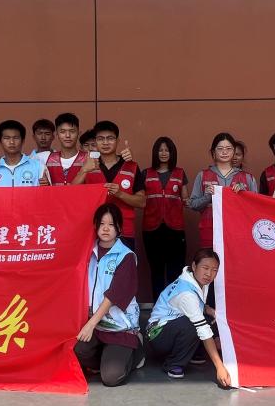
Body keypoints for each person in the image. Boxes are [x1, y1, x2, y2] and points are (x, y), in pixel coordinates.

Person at [75, 204, 142, 387]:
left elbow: (113, 296)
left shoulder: (126, 256)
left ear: (119, 228)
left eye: (111, 225)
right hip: (96, 326)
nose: (106, 229)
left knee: (111, 377)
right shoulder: (88, 252)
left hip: (119, 327)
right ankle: (107, 358)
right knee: (75, 350)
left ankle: (137, 352)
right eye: (102, 224)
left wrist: (90, 324)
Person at [146, 249, 230, 385]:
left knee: (209, 318)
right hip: (157, 335)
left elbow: (199, 305)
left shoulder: (196, 280)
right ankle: (173, 364)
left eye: (214, 270)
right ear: (194, 266)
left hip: (172, 326)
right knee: (195, 324)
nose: (209, 274)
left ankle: (193, 353)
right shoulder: (186, 293)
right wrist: (220, 367)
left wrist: (210, 310)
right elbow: (201, 326)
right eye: (205, 268)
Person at [73, 121, 145, 249]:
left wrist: (120, 194)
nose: (105, 143)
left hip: (124, 231)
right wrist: (84, 170)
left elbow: (142, 202)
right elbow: (71, 193)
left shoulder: (132, 166)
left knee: (125, 262)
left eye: (110, 138)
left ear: (118, 141)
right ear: (95, 142)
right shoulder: (88, 165)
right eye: (101, 139)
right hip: (95, 231)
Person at [189, 133, 256, 249]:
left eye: (228, 148)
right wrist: (207, 197)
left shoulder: (247, 178)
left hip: (238, 232)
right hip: (210, 231)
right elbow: (193, 204)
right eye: (220, 149)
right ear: (213, 152)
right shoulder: (203, 175)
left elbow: (255, 208)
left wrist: (244, 195)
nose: (224, 152)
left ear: (233, 151)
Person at [142, 137, 189, 299]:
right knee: (156, 270)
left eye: (167, 150)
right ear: (155, 152)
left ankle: (174, 306)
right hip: (152, 229)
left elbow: (186, 199)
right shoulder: (145, 173)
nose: (163, 153)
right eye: (160, 150)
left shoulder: (180, 173)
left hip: (175, 229)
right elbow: (139, 198)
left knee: (175, 270)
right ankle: (158, 307)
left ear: (172, 153)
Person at [0, 120, 50, 187]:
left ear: (23, 141)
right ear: (0, 142)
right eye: (7, 138)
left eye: (16, 138)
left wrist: (47, 188)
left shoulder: (38, 167)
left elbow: (47, 193)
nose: (11, 142)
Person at [46, 113, 89, 185]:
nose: (68, 135)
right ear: (57, 134)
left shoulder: (88, 159)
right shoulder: (48, 159)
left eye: (72, 131)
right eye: (62, 132)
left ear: (79, 133)